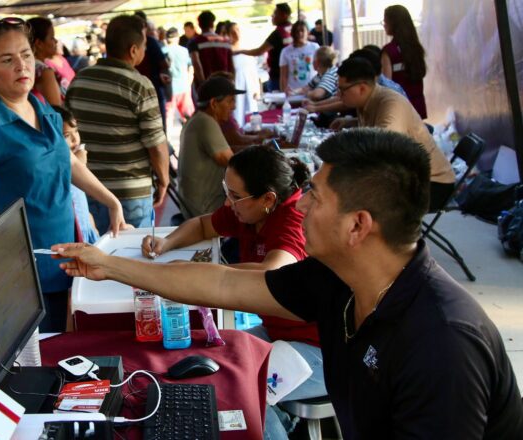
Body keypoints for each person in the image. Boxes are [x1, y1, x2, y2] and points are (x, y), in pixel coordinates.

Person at [54, 128, 523, 439]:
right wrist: (110, 267)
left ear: (358, 226)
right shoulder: (337, 277)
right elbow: (220, 286)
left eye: (315, 197)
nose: (299, 209)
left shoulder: (442, 343)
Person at [0, 17, 128, 332]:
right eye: (7, 60)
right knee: (35, 363)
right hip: (19, 275)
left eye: (26, 55)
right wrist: (9, 268)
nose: (22, 66)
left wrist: (111, 201)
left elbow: (68, 163)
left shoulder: (43, 108)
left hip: (64, 261)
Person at [144, 146, 323, 439]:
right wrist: (166, 242)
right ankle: (280, 421)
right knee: (214, 360)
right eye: (228, 191)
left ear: (268, 198)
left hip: (317, 349)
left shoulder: (292, 221)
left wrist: (194, 276)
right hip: (282, 334)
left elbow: (273, 273)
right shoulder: (251, 211)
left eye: (235, 196)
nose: (228, 203)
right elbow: (203, 225)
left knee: (239, 387)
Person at [66, 15, 170, 232]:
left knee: (100, 259)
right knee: (132, 259)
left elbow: (71, 133)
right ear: (133, 50)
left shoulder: (79, 80)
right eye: (143, 46)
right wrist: (163, 180)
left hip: (90, 188)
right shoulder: (140, 86)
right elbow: (156, 145)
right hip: (130, 193)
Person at [329, 58, 455, 211]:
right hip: (409, 178)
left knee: (356, 203)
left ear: (361, 88)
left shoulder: (391, 103)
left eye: (343, 90)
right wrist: (350, 122)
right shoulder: (366, 101)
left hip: (431, 184)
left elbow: (385, 148)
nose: (339, 95)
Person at [177, 76, 243, 218]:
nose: (234, 106)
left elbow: (227, 153)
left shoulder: (198, 119)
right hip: (206, 207)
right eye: (230, 100)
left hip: (195, 203)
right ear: (213, 103)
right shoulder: (206, 123)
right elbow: (233, 163)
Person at [55, 105, 100, 244]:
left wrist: (89, 220)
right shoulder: (57, 166)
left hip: (86, 228)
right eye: (67, 135)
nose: (75, 139)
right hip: (74, 235)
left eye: (76, 131)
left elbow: (80, 198)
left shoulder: (76, 159)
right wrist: (79, 165)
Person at [381, 5, 428, 119]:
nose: (384, 25)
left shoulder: (389, 51)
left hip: (399, 109)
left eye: (385, 21)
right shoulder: (416, 47)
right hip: (417, 105)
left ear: (393, 23)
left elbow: (387, 85)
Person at [235, 3, 293, 92]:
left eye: (275, 13)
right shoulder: (293, 29)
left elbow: (259, 51)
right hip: (293, 74)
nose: (272, 16)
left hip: (278, 76)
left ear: (284, 15)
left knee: (278, 102)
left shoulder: (277, 34)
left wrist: (240, 51)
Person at [134, 11, 171, 133]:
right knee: (158, 129)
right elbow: (164, 63)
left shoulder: (127, 43)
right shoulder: (150, 41)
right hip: (153, 90)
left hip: (134, 92)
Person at [188, 10, 234, 90]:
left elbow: (196, 63)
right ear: (213, 23)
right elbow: (232, 65)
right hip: (225, 84)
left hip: (207, 85)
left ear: (199, 25)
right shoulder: (226, 42)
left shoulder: (195, 42)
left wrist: (203, 84)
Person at [28, 17, 67, 106]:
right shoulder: (44, 71)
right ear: (39, 44)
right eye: (52, 37)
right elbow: (56, 108)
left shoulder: (27, 66)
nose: (56, 41)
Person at [228, 22, 259, 123]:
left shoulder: (247, 49)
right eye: (232, 32)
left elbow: (254, 71)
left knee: (252, 116)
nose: (236, 33)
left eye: (238, 30)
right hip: (236, 89)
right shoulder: (227, 51)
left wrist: (257, 88)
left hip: (250, 88)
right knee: (238, 116)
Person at [163, 28, 194, 128]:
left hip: (168, 88)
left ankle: (167, 140)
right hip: (183, 87)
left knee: (168, 117)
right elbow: (191, 68)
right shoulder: (184, 51)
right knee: (188, 116)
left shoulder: (162, 51)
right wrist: (189, 82)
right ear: (177, 38)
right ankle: (191, 139)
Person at [279, 21, 319, 94]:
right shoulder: (285, 51)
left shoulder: (315, 47)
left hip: (312, 90)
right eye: (297, 31)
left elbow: (321, 69)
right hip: (293, 91)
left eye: (302, 30)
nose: (300, 33)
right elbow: (283, 75)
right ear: (293, 33)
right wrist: (285, 91)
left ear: (308, 32)